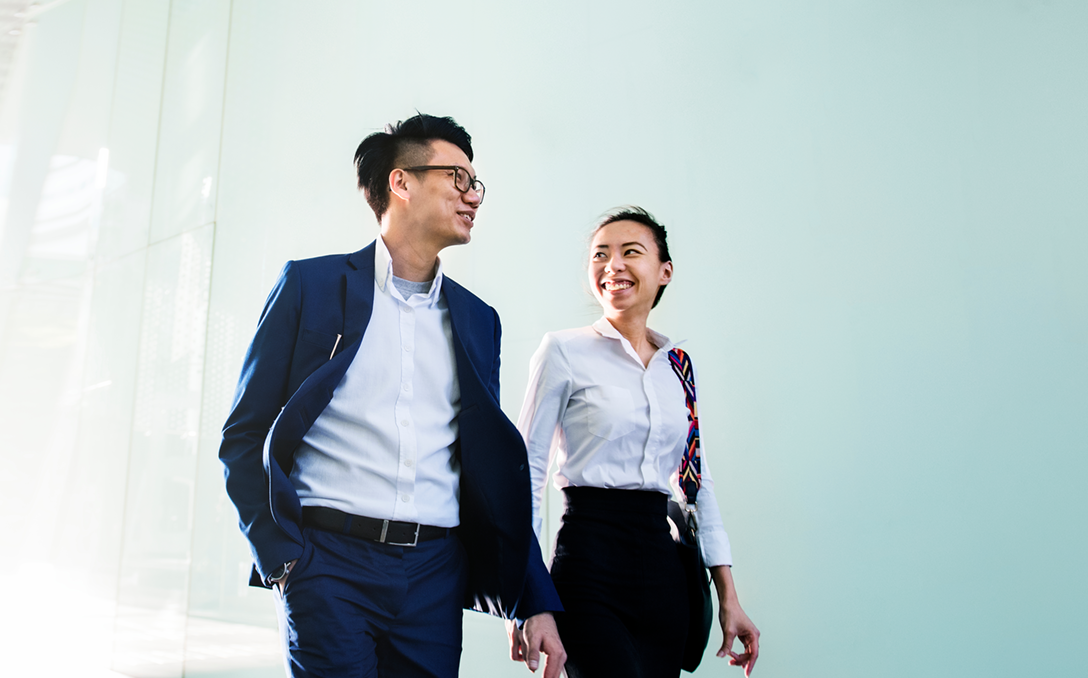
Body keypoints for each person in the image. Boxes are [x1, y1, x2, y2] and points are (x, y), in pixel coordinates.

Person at [220, 114, 565, 678]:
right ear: (401, 183)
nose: (472, 195)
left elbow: (490, 473)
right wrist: (283, 560)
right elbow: (245, 434)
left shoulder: (479, 321)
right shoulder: (310, 287)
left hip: (433, 574)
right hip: (327, 564)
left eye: (475, 183)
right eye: (457, 177)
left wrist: (535, 600)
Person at [509, 207, 761, 678]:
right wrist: (529, 597)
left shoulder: (680, 367)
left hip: (663, 571)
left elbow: (697, 485)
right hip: (588, 560)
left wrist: (729, 596)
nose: (613, 266)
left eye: (631, 252)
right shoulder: (563, 350)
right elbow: (526, 476)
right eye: (600, 255)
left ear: (664, 271)